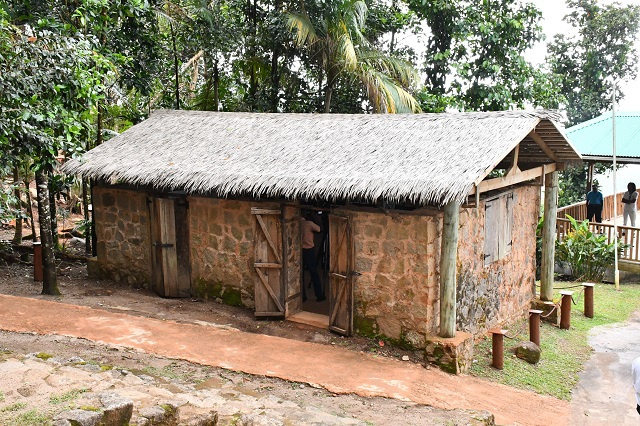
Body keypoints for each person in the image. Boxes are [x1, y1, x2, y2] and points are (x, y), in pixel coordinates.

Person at [301, 212, 325, 303]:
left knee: (300, 274)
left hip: (301, 249)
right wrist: (318, 219)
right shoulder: (309, 224)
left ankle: (302, 296)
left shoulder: (299, 222)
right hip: (309, 250)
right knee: (314, 273)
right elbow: (320, 229)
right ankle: (319, 295)